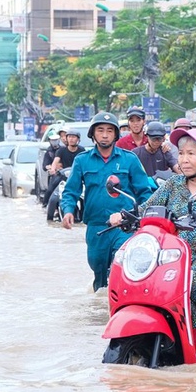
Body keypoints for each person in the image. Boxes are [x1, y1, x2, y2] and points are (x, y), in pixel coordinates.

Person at [110, 127, 196, 361]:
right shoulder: (174, 184)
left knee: (192, 280)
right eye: (181, 154)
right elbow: (147, 207)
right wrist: (124, 215)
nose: (184, 159)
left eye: (191, 153)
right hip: (176, 253)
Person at [61, 112, 157, 292]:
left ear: (115, 134)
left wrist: (146, 217)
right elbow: (71, 190)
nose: (105, 134)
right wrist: (68, 210)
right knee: (98, 272)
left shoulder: (129, 159)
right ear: (93, 134)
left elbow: (144, 191)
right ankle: (100, 311)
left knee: (121, 267)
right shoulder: (82, 161)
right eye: (100, 130)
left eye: (109, 131)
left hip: (124, 226)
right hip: (96, 227)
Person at [44, 128, 86, 206]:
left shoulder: (82, 150)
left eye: (73, 137)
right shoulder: (61, 150)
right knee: (51, 189)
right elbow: (55, 161)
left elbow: (86, 163)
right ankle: (47, 205)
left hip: (78, 175)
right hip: (64, 175)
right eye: (69, 137)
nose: (71, 139)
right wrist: (53, 169)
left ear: (78, 139)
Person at [40, 134, 61, 206]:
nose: (54, 142)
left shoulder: (63, 149)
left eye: (56, 140)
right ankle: (45, 204)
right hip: (54, 174)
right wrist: (49, 167)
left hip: (64, 173)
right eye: (53, 140)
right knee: (50, 190)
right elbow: (45, 165)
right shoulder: (49, 152)